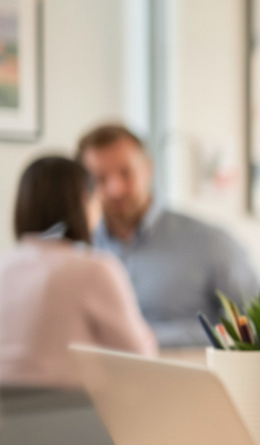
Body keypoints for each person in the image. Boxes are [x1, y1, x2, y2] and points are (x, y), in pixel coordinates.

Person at [76, 123, 260, 347]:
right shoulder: (73, 250)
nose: (115, 189)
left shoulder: (211, 242)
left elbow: (254, 326)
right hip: (92, 379)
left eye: (126, 173)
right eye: (100, 178)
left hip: (186, 377)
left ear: (148, 168)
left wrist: (151, 338)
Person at [0, 156, 157, 388]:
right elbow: (142, 358)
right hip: (69, 413)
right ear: (86, 201)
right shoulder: (94, 269)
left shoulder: (5, 264)